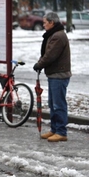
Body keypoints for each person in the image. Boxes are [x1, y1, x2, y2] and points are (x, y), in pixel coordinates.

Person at [33, 12, 71, 142]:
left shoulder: (58, 36)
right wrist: (40, 63)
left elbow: (50, 55)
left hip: (59, 75)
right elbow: (46, 53)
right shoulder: (53, 35)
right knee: (52, 103)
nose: (43, 25)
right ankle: (54, 129)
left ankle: (61, 131)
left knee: (58, 104)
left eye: (45, 22)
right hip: (54, 74)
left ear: (52, 23)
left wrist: (39, 64)